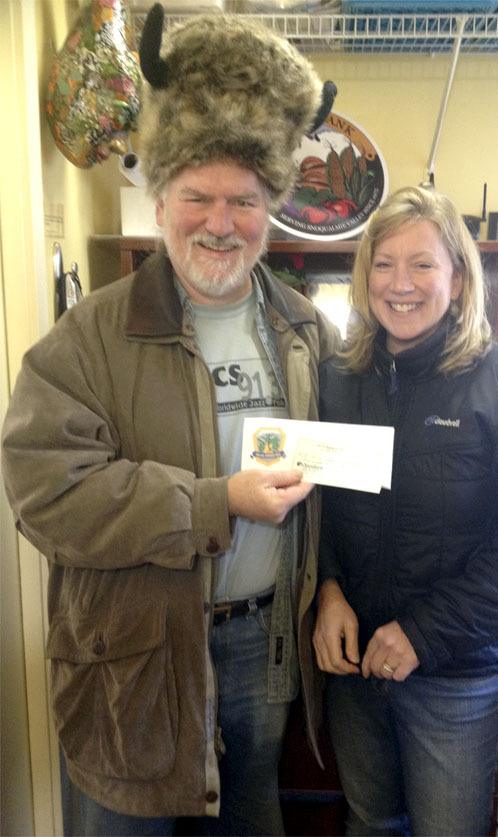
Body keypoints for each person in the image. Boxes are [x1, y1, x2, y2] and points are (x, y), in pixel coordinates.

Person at [2, 6, 339, 836]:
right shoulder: (88, 336)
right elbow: (47, 494)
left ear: (272, 206)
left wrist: (332, 584)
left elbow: (338, 482)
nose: (221, 223)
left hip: (261, 650)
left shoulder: (304, 330)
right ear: (159, 199)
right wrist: (214, 501)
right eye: (198, 196)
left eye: (244, 200)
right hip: (132, 662)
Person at [313, 185, 498, 836]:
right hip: (354, 673)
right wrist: (328, 588)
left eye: (422, 264)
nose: (400, 283)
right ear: (365, 277)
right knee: (370, 823)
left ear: (459, 279)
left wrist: (422, 634)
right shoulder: (338, 380)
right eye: (384, 264)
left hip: (454, 680)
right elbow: (314, 498)